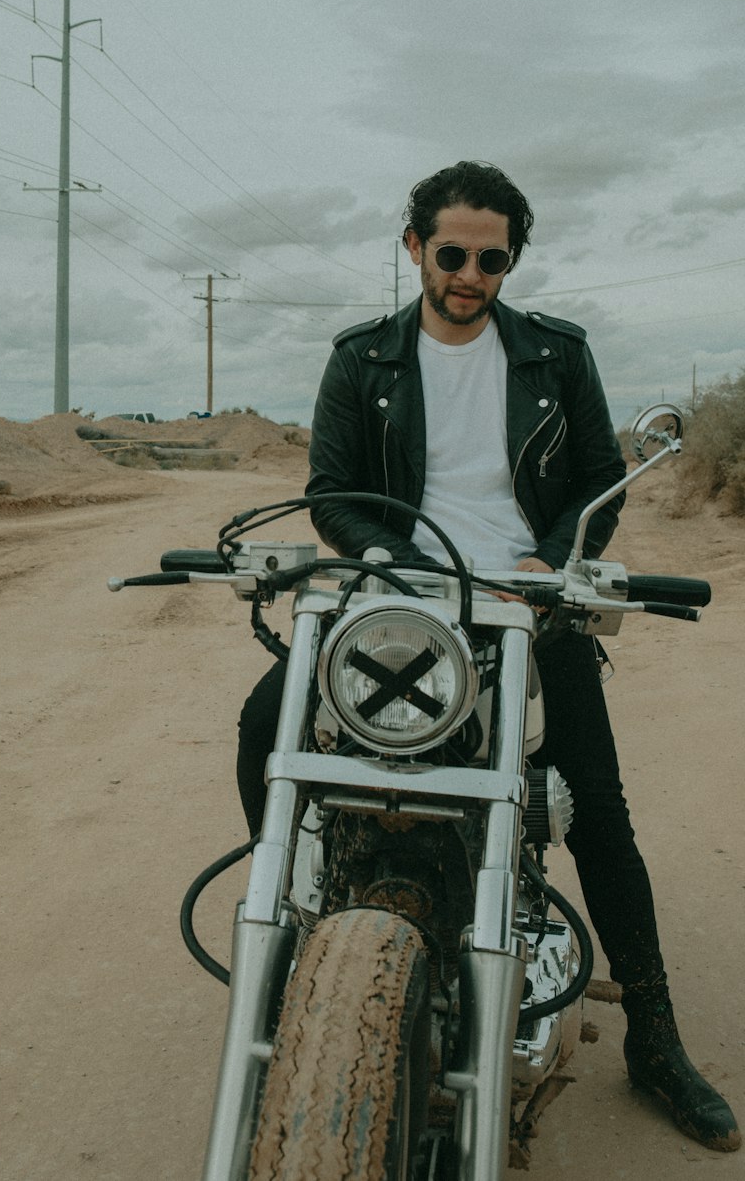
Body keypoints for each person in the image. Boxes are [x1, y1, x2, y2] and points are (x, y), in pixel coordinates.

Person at [236, 160, 740, 1152]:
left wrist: (547, 565)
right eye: (453, 251)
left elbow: (598, 481)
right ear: (415, 246)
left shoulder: (555, 355)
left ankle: (653, 1036)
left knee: (595, 808)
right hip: (405, 609)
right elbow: (331, 490)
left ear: (511, 260)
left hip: (528, 609)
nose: (470, 272)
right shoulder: (362, 358)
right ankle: (299, 959)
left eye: (492, 257)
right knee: (267, 727)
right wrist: (397, 560)